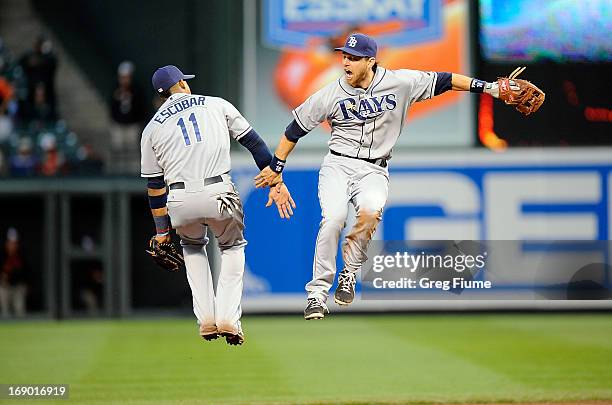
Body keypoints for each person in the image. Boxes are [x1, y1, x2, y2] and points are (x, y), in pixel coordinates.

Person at [254, 33, 536, 320]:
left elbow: (447, 79)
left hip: (375, 169)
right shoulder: (329, 94)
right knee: (333, 220)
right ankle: (316, 295)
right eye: (344, 56)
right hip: (337, 165)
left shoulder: (400, 82)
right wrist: (276, 169)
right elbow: (293, 131)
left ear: (371, 61)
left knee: (369, 214)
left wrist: (488, 87)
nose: (346, 62)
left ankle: (349, 274)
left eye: (353, 58)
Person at [141, 65, 295, 345]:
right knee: (233, 248)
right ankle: (228, 319)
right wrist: (276, 183)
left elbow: (154, 188)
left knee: (192, 248)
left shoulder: (151, 128)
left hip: (179, 199)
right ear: (182, 85)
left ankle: (206, 320)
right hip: (218, 193)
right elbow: (255, 144)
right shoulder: (216, 104)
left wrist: (162, 232)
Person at [109, 61, 145, 174]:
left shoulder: (137, 89)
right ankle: (117, 173)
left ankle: (134, 174)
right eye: (122, 77)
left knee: (133, 150)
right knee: (117, 150)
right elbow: (111, 106)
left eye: (127, 77)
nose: (124, 80)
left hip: (132, 125)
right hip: (118, 124)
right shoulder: (115, 88)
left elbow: (141, 107)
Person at [0, 228, 28, 318]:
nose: (12, 245)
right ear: (6, 243)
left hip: (18, 287)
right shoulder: (2, 255)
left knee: (19, 311)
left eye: (14, 243)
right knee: (5, 312)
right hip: (5, 287)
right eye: (10, 243)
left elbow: (27, 272)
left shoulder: (22, 255)